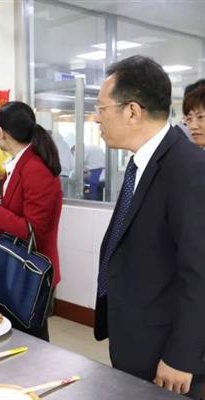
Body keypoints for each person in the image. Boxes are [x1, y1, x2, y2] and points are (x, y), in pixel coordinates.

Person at [93, 55, 205, 398]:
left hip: (166, 354)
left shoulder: (188, 169)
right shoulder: (142, 164)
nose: (96, 117)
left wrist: (182, 355)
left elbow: (200, 271)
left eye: (101, 108)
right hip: (135, 337)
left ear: (132, 111)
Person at [0, 101, 62, 341]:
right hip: (15, 263)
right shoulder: (19, 162)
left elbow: (32, 230)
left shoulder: (35, 168)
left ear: (1, 131)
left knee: (31, 339)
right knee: (10, 333)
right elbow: (19, 214)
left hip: (31, 270)